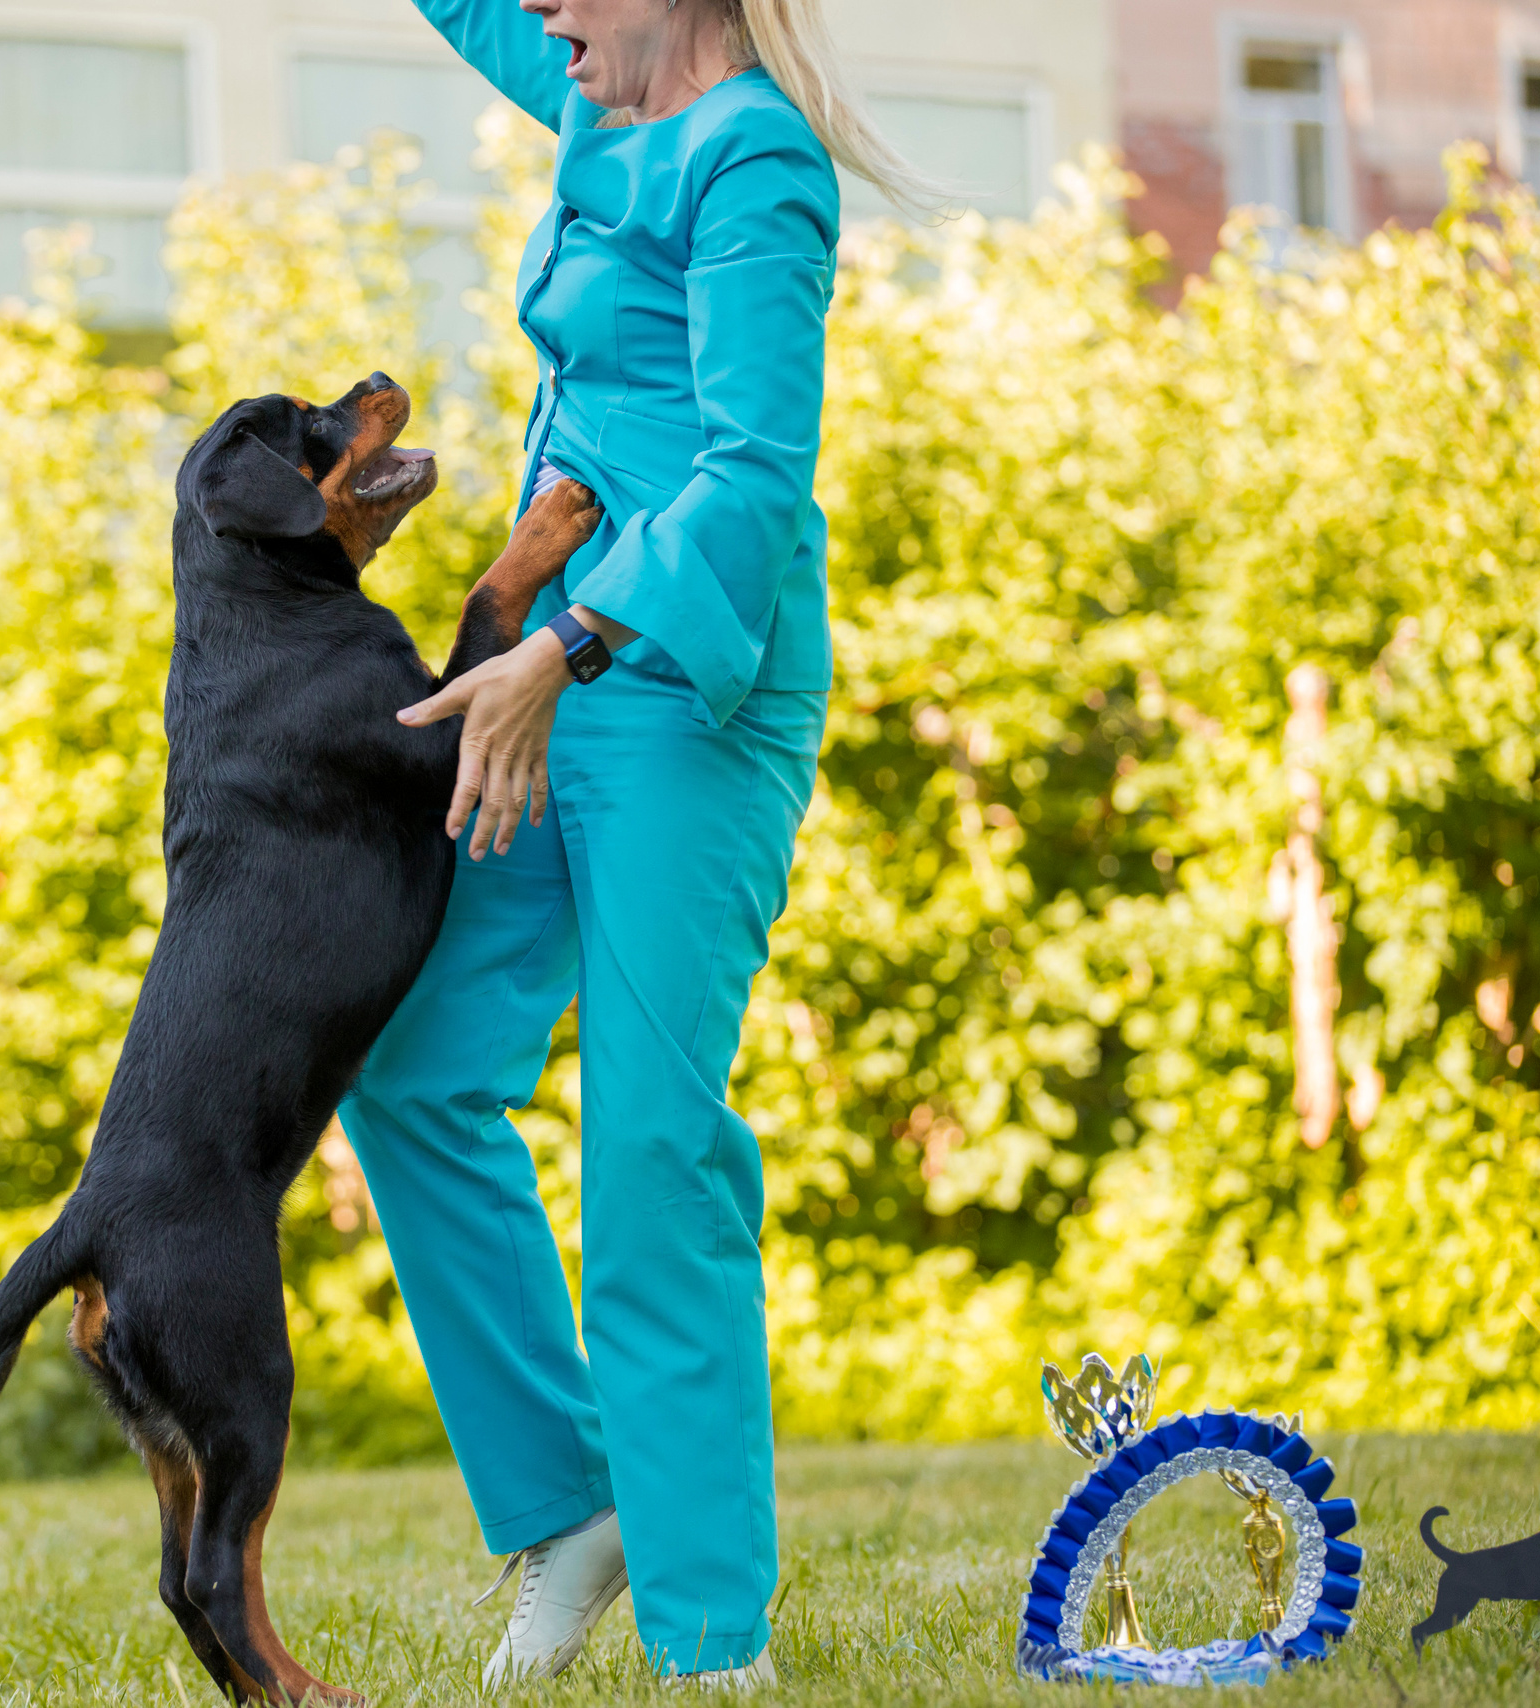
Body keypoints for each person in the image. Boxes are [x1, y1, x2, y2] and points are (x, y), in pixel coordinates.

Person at [339, 0, 932, 1691]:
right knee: (416, 1066)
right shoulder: (599, 87)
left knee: (654, 1150)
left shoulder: (757, 163)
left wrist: (566, 646)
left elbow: (754, 477)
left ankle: (707, 1635)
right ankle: (567, 1503)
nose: (541, 17)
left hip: (680, 689)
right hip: (545, 678)